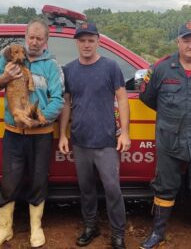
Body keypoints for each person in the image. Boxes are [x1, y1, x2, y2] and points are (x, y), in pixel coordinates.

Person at [139, 21, 191, 249]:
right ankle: (158, 234)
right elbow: (148, 97)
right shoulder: (161, 68)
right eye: (187, 40)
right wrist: (172, 115)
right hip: (170, 139)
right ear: (178, 42)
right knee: (165, 186)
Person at [0, 18, 64, 248]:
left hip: (41, 133)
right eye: (31, 37)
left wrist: (40, 121)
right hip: (13, 132)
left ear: (46, 41)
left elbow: (58, 99)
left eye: (40, 38)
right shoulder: (8, 58)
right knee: (9, 181)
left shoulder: (52, 66)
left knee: (39, 180)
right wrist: (6, 77)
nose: (35, 42)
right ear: (25, 37)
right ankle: (4, 229)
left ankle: (36, 228)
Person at [58, 23, 131, 249]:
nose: (87, 44)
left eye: (91, 40)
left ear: (98, 41)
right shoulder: (69, 69)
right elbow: (67, 104)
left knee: (112, 189)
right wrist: (62, 134)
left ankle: (118, 233)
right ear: (76, 43)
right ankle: (91, 226)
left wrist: (125, 132)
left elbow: (122, 98)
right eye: (82, 40)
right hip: (80, 141)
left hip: (106, 140)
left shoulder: (110, 67)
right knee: (86, 189)